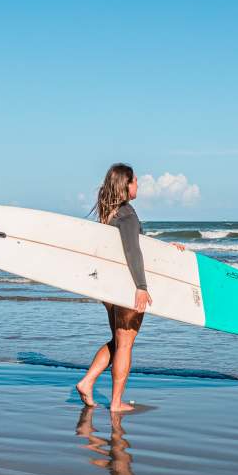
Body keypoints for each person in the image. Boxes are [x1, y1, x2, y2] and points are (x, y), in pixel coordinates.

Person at [75, 163, 185, 412]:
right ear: (126, 185)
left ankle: (87, 381)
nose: (139, 185)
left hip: (110, 289)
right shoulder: (128, 213)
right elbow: (132, 250)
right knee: (125, 344)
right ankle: (115, 403)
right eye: (135, 180)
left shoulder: (110, 213)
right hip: (127, 287)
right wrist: (141, 286)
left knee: (118, 341)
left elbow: (130, 246)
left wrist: (166, 251)